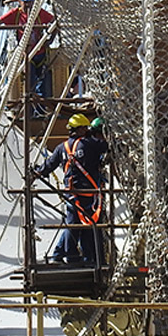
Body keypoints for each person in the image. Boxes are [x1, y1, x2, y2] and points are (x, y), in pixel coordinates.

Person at [36, 113, 109, 265]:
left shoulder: (61, 147)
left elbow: (48, 166)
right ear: (82, 129)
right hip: (89, 193)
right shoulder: (89, 143)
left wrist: (37, 171)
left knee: (73, 224)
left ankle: (69, 256)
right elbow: (108, 146)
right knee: (87, 226)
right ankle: (82, 258)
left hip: (71, 193)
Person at [0, 0, 55, 97]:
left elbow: (55, 23)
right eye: (25, 3)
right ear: (20, 2)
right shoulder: (16, 14)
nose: (28, 5)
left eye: (30, 2)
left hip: (41, 53)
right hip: (27, 55)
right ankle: (32, 109)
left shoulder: (39, 13)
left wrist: (50, 40)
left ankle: (43, 110)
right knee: (30, 82)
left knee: (44, 83)